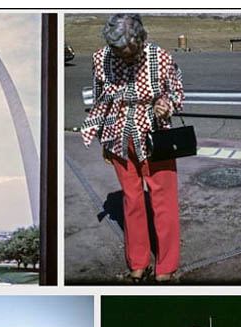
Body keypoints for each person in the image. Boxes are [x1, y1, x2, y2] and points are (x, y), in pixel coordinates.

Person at [81, 14, 184, 283]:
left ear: (141, 41)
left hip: (156, 136)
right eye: (119, 53)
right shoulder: (100, 59)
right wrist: (104, 141)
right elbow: (100, 101)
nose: (125, 58)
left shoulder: (160, 57)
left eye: (131, 53)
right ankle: (138, 263)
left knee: (164, 202)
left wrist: (166, 105)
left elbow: (177, 92)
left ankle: (166, 267)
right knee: (132, 201)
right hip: (119, 136)